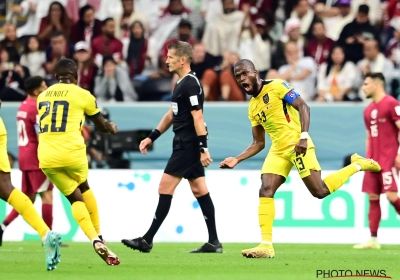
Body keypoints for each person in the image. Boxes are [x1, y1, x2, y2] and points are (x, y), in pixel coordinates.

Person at [219, 59, 381, 258]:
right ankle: (266, 245)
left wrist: (303, 137)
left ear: (255, 72)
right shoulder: (252, 107)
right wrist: (237, 159)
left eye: (244, 73)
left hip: (298, 145)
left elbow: (304, 107)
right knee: (266, 189)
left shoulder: (278, 86)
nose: (241, 79)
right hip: (278, 150)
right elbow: (258, 143)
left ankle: (357, 165)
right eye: (238, 76)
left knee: (320, 191)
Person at [121, 41, 222, 253]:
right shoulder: (181, 83)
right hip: (186, 142)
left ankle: (147, 240)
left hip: (187, 144)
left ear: (182, 59)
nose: (166, 60)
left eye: (170, 56)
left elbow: (198, 116)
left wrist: (203, 148)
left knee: (164, 188)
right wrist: (151, 137)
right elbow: (171, 114)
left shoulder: (191, 84)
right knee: (199, 189)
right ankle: (214, 242)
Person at [37, 58, 120, 265]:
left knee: (74, 199)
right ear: (76, 77)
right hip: (73, 154)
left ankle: (93, 239)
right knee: (84, 187)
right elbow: (100, 126)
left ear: (56, 77)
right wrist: (110, 126)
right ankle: (99, 235)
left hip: (47, 156)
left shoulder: (42, 96)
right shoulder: (83, 95)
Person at [0, 76, 69, 247]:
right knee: (47, 195)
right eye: (44, 85)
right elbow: (40, 135)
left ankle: (2, 226)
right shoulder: (38, 108)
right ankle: (50, 237)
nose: (46, 87)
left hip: (24, 155)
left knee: (26, 198)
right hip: (37, 157)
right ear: (37, 91)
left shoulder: (22, 106)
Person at [0, 99, 61, 270]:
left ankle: (45, 233)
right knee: (11, 192)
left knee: (39, 195)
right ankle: (45, 233)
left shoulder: (28, 106)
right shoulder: (30, 106)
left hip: (33, 158)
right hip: (25, 153)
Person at [353, 73, 400, 249]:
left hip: (389, 158)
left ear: (377, 85)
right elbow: (368, 137)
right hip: (373, 162)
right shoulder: (367, 110)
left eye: (366, 84)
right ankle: (373, 239)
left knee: (391, 196)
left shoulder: (391, 104)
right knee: (373, 197)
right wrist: (366, 160)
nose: (363, 87)